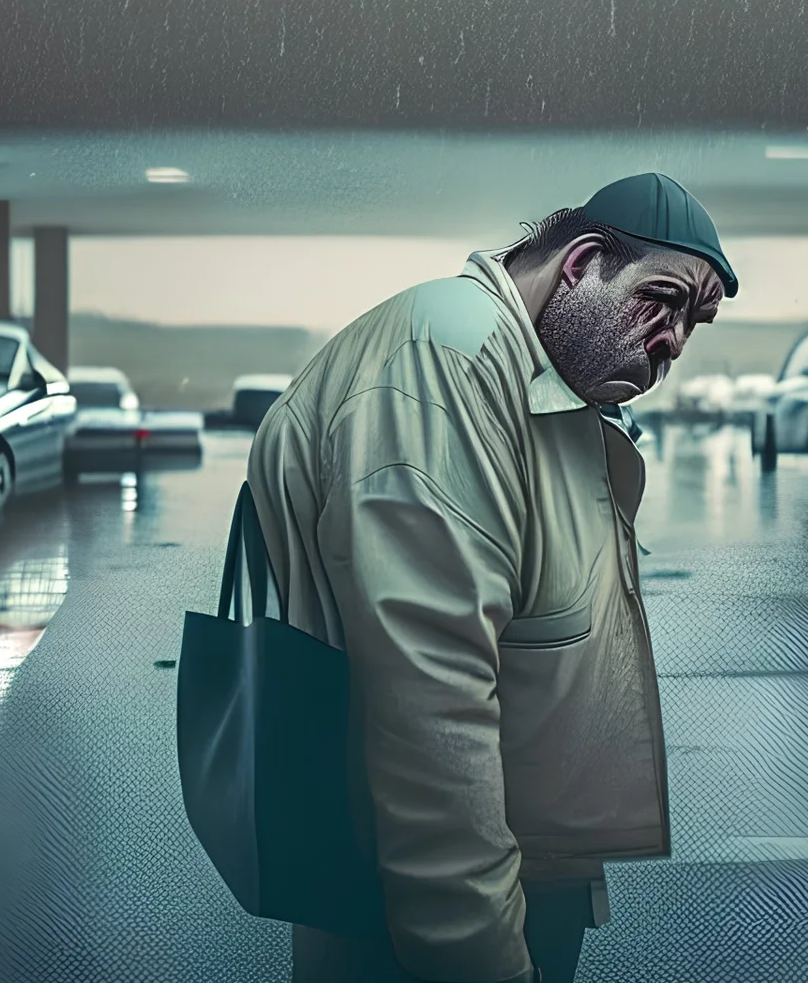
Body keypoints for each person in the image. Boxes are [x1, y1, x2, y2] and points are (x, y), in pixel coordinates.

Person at [247, 173, 737, 983]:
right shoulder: (443, 366)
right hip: (423, 899)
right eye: (661, 301)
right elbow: (425, 705)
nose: (675, 340)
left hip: (497, 871)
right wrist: (474, 948)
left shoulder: (523, 370)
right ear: (580, 263)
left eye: (695, 321)